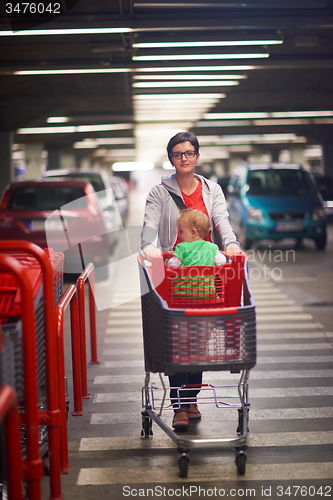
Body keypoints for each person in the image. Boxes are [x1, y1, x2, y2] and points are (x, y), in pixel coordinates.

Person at [141, 131, 241, 430]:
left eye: (188, 153)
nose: (183, 158)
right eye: (177, 154)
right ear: (171, 158)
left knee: (197, 340)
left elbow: (222, 220)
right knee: (177, 340)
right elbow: (149, 224)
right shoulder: (159, 192)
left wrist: (232, 244)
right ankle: (180, 407)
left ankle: (191, 399)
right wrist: (148, 248)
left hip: (208, 278)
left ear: (197, 156)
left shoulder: (212, 190)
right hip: (174, 276)